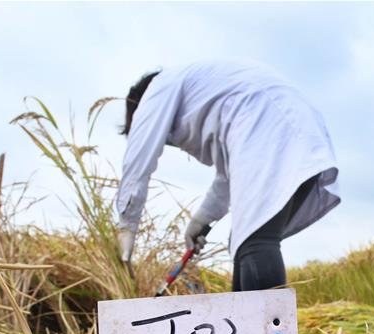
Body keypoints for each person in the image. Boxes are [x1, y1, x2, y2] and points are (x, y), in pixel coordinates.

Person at [115, 60, 341, 292]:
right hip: (296, 129)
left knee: (255, 241)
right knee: (246, 244)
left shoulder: (157, 90)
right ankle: (251, 317)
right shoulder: (210, 93)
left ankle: (266, 317)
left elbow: (138, 157)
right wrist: (202, 218)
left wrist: (126, 225)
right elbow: (229, 175)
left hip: (270, 126)